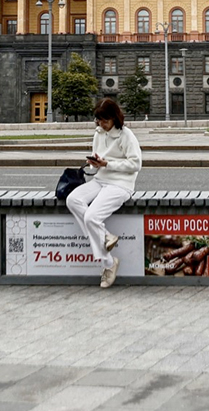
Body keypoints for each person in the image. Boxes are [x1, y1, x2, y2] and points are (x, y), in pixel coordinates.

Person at [66, 98, 142, 288]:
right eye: (99, 120)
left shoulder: (126, 135)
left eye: (105, 120)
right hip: (101, 179)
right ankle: (106, 236)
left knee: (92, 217)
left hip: (121, 184)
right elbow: (99, 156)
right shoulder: (98, 133)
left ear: (115, 118)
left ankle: (108, 264)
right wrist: (96, 162)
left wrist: (108, 164)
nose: (102, 124)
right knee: (73, 199)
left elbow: (136, 164)